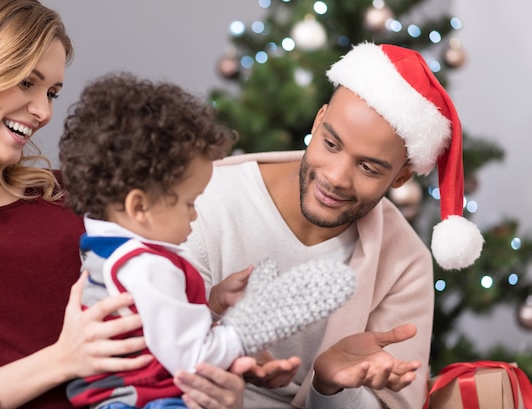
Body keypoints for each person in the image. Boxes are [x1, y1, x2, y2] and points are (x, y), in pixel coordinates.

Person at [0, 1, 243, 408]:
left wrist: (210, 317)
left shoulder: (69, 193)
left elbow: (134, 316)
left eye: (51, 92)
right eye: (27, 83)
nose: (44, 111)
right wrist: (61, 361)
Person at [179, 42, 484, 408]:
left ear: (401, 178)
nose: (336, 177)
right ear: (318, 120)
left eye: (369, 168)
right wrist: (220, 338)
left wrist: (333, 387)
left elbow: (394, 404)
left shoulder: (405, 263)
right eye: (331, 144)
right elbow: (146, 345)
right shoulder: (206, 199)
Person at [58, 72, 356, 409]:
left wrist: (213, 306)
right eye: (188, 203)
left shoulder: (107, 249)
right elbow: (191, 358)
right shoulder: (147, 267)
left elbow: (156, 328)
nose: (195, 216)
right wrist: (241, 332)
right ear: (138, 206)